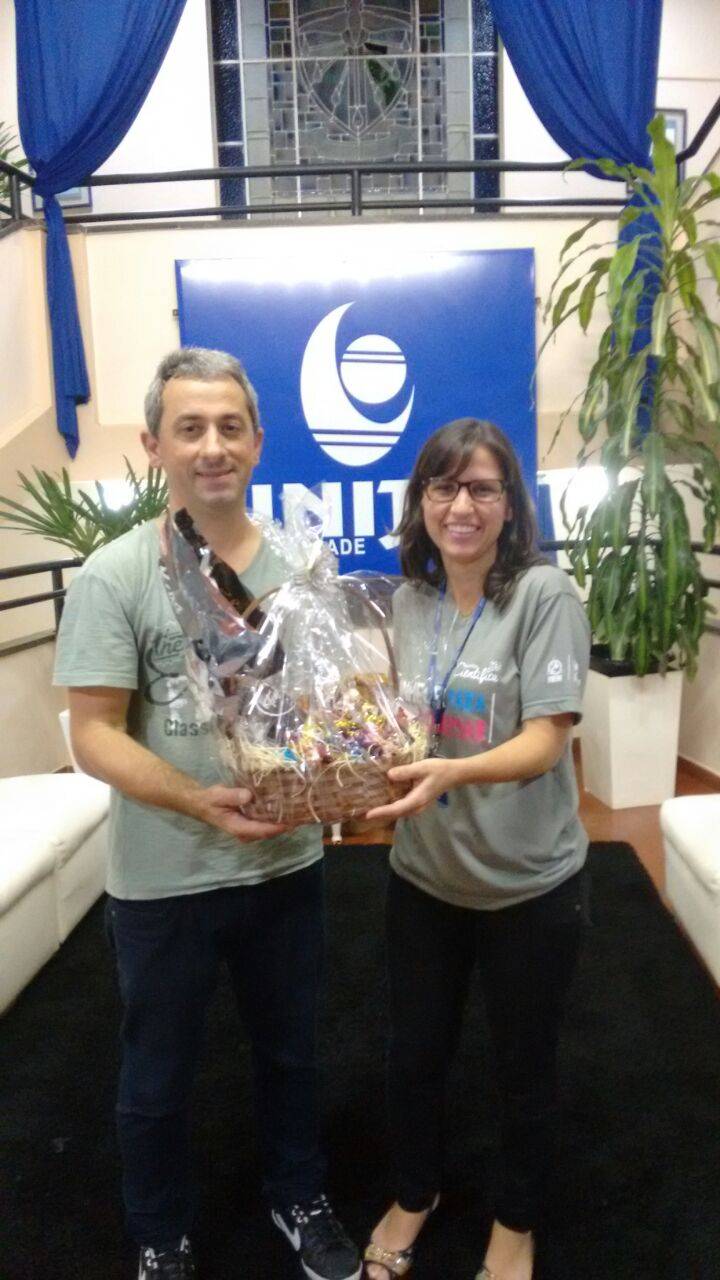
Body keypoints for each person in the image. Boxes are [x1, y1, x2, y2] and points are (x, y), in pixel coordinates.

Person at [54, 348, 362, 1280]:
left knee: (291, 1054)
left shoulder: (301, 567)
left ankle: (299, 1195)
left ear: (258, 441)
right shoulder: (116, 575)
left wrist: (346, 771)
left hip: (285, 866)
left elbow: (329, 706)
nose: (213, 446)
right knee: (156, 1077)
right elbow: (94, 734)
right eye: (189, 428)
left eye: (230, 426)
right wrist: (197, 799)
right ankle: (160, 1234)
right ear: (155, 445)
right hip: (164, 876)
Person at [362, 418, 591, 1280]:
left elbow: (547, 739)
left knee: (524, 1064)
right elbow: (400, 728)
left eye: (482, 488)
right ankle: (414, 1194)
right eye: (444, 487)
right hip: (424, 880)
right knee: (414, 1055)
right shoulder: (408, 604)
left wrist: (449, 775)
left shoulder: (544, 595)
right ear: (421, 501)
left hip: (529, 887)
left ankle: (516, 1222)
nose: (461, 506)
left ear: (510, 504)